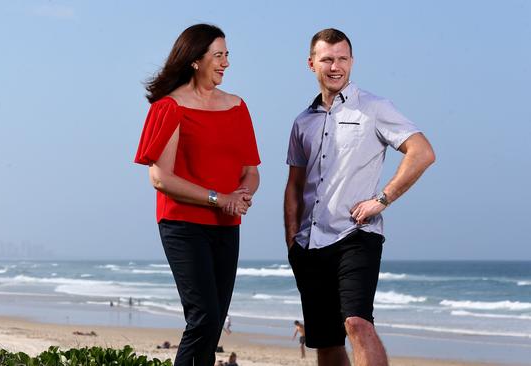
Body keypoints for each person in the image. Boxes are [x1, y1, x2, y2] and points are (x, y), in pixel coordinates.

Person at [284, 28, 435, 366]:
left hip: (356, 235)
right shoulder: (302, 122)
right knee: (326, 340)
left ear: (351, 62)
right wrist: (292, 242)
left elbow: (422, 152)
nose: (335, 66)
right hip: (309, 245)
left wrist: (382, 199)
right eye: (327, 59)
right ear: (311, 64)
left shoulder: (375, 108)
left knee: (357, 323)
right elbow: (294, 186)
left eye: (342, 59)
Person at [135, 24, 261, 366]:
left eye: (226, 55)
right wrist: (219, 199)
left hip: (227, 226)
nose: (225, 63)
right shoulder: (169, 107)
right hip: (182, 225)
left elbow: (251, 171)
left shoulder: (237, 107)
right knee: (203, 317)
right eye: (217, 55)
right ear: (195, 60)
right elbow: (160, 178)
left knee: (214, 322)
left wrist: (242, 195)